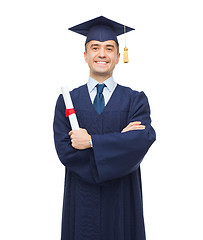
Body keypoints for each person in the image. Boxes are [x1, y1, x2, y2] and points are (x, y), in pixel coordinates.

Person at [53, 16, 156, 240]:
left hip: (122, 199)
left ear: (118, 57)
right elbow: (66, 151)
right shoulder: (67, 101)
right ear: (85, 55)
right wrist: (119, 144)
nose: (102, 54)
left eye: (109, 48)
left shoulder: (135, 100)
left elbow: (141, 140)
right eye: (95, 48)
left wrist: (91, 143)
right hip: (81, 199)